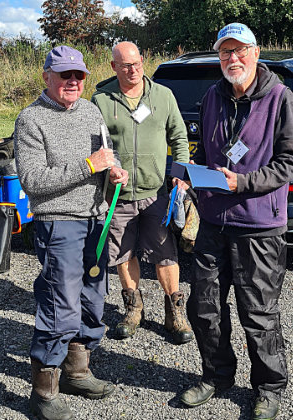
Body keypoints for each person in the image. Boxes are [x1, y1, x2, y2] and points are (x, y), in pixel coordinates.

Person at [176, 23, 293, 420]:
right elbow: (210, 149)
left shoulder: (280, 99)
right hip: (214, 220)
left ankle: (268, 387)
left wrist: (244, 182)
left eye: (239, 50)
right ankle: (216, 376)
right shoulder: (213, 96)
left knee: (259, 312)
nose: (232, 58)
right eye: (225, 52)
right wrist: (192, 174)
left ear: (256, 52)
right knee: (204, 306)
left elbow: (292, 161)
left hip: (259, 225)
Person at [12, 45, 128, 420]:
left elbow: (106, 157)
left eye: (79, 76)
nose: (73, 82)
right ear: (47, 76)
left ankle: (77, 371)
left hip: (96, 220)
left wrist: (114, 170)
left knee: (93, 301)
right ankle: (43, 394)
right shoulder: (31, 119)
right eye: (65, 75)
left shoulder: (92, 111)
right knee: (60, 306)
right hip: (58, 223)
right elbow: (32, 181)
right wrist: (86, 166)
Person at [89, 41, 194, 344]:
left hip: (156, 191)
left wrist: (180, 174)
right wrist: (108, 169)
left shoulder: (163, 96)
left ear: (143, 61)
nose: (132, 69)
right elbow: (97, 145)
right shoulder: (101, 100)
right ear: (113, 67)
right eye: (125, 65)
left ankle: (176, 311)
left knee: (165, 252)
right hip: (118, 193)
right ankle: (133, 308)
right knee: (123, 252)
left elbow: (179, 137)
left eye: (136, 63)